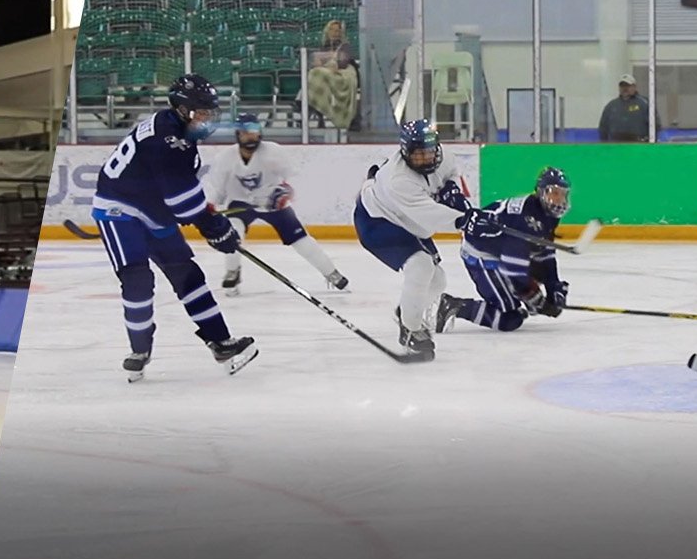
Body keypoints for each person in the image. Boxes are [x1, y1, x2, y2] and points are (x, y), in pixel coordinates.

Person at [91, 74, 256, 382]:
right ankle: (139, 350)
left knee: (187, 273)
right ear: (182, 109)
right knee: (137, 277)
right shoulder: (167, 140)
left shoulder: (181, 134)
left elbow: (182, 196)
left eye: (211, 112)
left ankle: (220, 341)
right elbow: (182, 201)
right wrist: (215, 227)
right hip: (118, 209)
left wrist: (209, 222)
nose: (208, 119)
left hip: (153, 210)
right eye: (202, 112)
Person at [353, 119, 470, 361]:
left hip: (407, 220)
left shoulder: (444, 156)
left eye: (430, 152)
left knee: (438, 281)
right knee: (420, 266)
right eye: (419, 155)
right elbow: (429, 214)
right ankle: (410, 330)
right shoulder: (399, 180)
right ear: (405, 152)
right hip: (378, 221)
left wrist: (452, 187)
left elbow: (452, 173)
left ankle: (406, 312)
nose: (426, 159)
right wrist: (463, 220)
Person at [205, 113, 349, 295]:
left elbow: (295, 177)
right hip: (239, 205)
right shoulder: (225, 158)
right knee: (233, 235)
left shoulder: (272, 151)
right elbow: (218, 190)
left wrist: (286, 192)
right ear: (238, 134)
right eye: (245, 132)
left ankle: (331, 273)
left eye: (255, 131)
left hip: (271, 203)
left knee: (300, 239)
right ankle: (233, 271)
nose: (251, 136)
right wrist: (210, 206)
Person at [441, 168, 572, 332]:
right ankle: (454, 306)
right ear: (540, 192)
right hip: (482, 254)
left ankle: (512, 299)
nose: (559, 200)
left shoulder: (548, 215)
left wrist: (554, 288)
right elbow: (514, 269)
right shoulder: (523, 219)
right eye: (554, 193)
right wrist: (536, 300)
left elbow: (545, 253)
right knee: (508, 319)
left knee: (535, 272)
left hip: (503, 252)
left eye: (563, 194)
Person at [307, 20, 359, 129]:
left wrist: (332, 64)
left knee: (316, 74)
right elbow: (318, 62)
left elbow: (343, 62)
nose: (335, 33)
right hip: (326, 73)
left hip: (343, 74)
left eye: (337, 30)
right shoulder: (324, 46)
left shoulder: (345, 46)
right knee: (315, 74)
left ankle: (306, 101)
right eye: (332, 30)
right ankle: (320, 109)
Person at [598, 74, 652, 142]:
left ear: (634, 87)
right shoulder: (611, 106)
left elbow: (655, 125)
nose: (625, 88)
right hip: (616, 145)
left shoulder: (645, 103)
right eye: (622, 86)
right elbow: (603, 127)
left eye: (628, 85)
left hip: (639, 145)